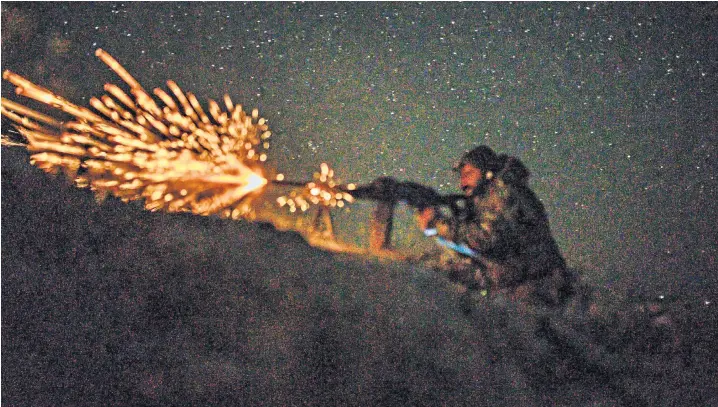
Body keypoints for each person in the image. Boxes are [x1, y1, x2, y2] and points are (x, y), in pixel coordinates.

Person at [418, 145, 576, 307]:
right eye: (461, 176)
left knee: (441, 280)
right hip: (523, 280)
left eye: (469, 174)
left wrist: (439, 225)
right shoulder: (489, 196)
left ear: (488, 172)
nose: (462, 183)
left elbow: (484, 238)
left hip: (536, 288)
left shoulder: (503, 192)